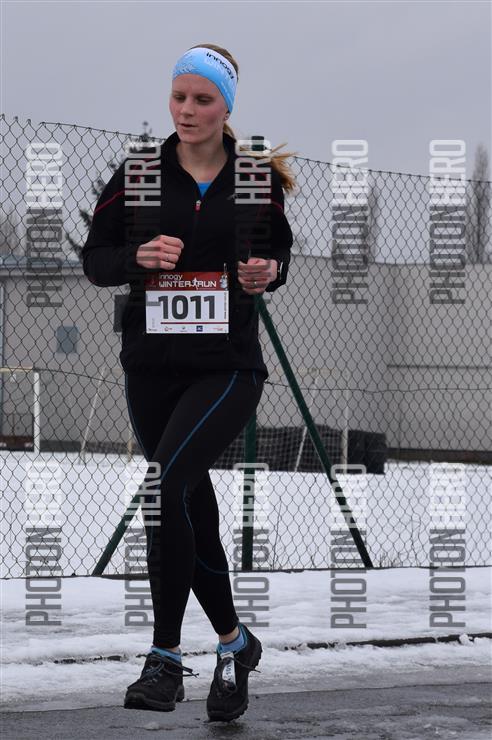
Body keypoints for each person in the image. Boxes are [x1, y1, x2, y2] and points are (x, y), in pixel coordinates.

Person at [82, 43, 296, 723]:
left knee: (163, 488)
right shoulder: (139, 174)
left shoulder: (253, 179)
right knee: (187, 508)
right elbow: (95, 259)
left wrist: (268, 272)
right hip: (151, 369)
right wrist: (136, 257)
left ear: (226, 107)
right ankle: (235, 644)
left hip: (226, 367)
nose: (187, 110)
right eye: (179, 96)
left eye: (202, 99)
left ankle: (166, 658)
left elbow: (278, 251)